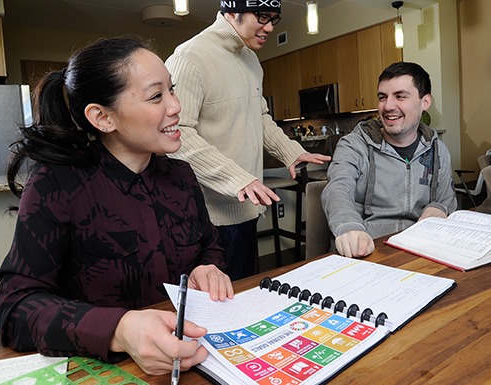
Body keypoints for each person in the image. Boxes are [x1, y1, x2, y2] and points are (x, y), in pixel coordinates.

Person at [0, 37, 233, 376]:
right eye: (156, 96)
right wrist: (118, 329)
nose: (176, 106)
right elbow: (14, 308)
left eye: (172, 90)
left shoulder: (181, 175)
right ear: (103, 117)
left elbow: (208, 246)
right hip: (102, 370)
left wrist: (207, 268)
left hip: (192, 359)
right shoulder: (56, 184)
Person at [165, 0, 330, 281]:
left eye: (274, 19)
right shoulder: (190, 57)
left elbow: (260, 116)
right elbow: (177, 134)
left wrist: (290, 150)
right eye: (262, 17)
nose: (268, 28)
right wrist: (236, 178)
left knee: (244, 292)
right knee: (215, 307)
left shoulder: (250, 58)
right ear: (231, 11)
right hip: (210, 215)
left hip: (247, 206)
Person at [322, 62, 457, 259]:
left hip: (420, 251)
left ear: (425, 102)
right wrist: (348, 226)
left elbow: (447, 198)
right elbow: (337, 189)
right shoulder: (353, 145)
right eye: (382, 97)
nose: (388, 106)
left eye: (400, 96)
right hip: (367, 252)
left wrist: (438, 209)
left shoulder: (438, 149)